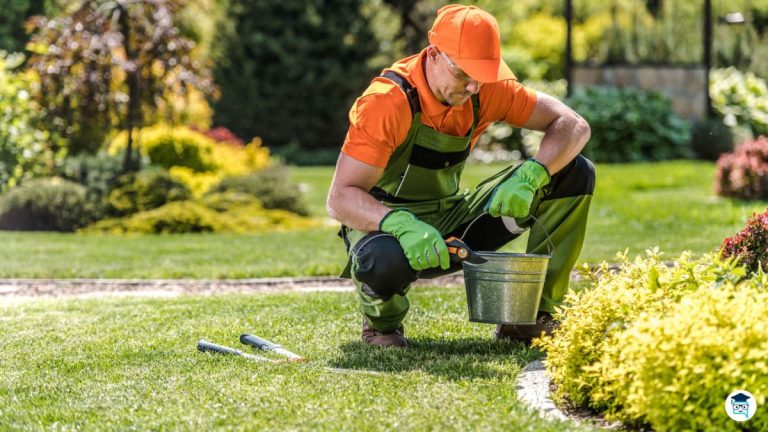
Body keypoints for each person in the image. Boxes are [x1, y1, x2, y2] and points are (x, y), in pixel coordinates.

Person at [327, 4, 594, 348]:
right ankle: (383, 326)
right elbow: (341, 197)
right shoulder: (387, 103)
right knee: (381, 260)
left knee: (574, 171)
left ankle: (532, 318)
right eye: (464, 74)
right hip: (387, 231)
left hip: (454, 221)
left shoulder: (485, 88)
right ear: (435, 54)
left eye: (481, 76)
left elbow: (573, 125)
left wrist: (534, 173)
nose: (472, 87)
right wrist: (400, 224)